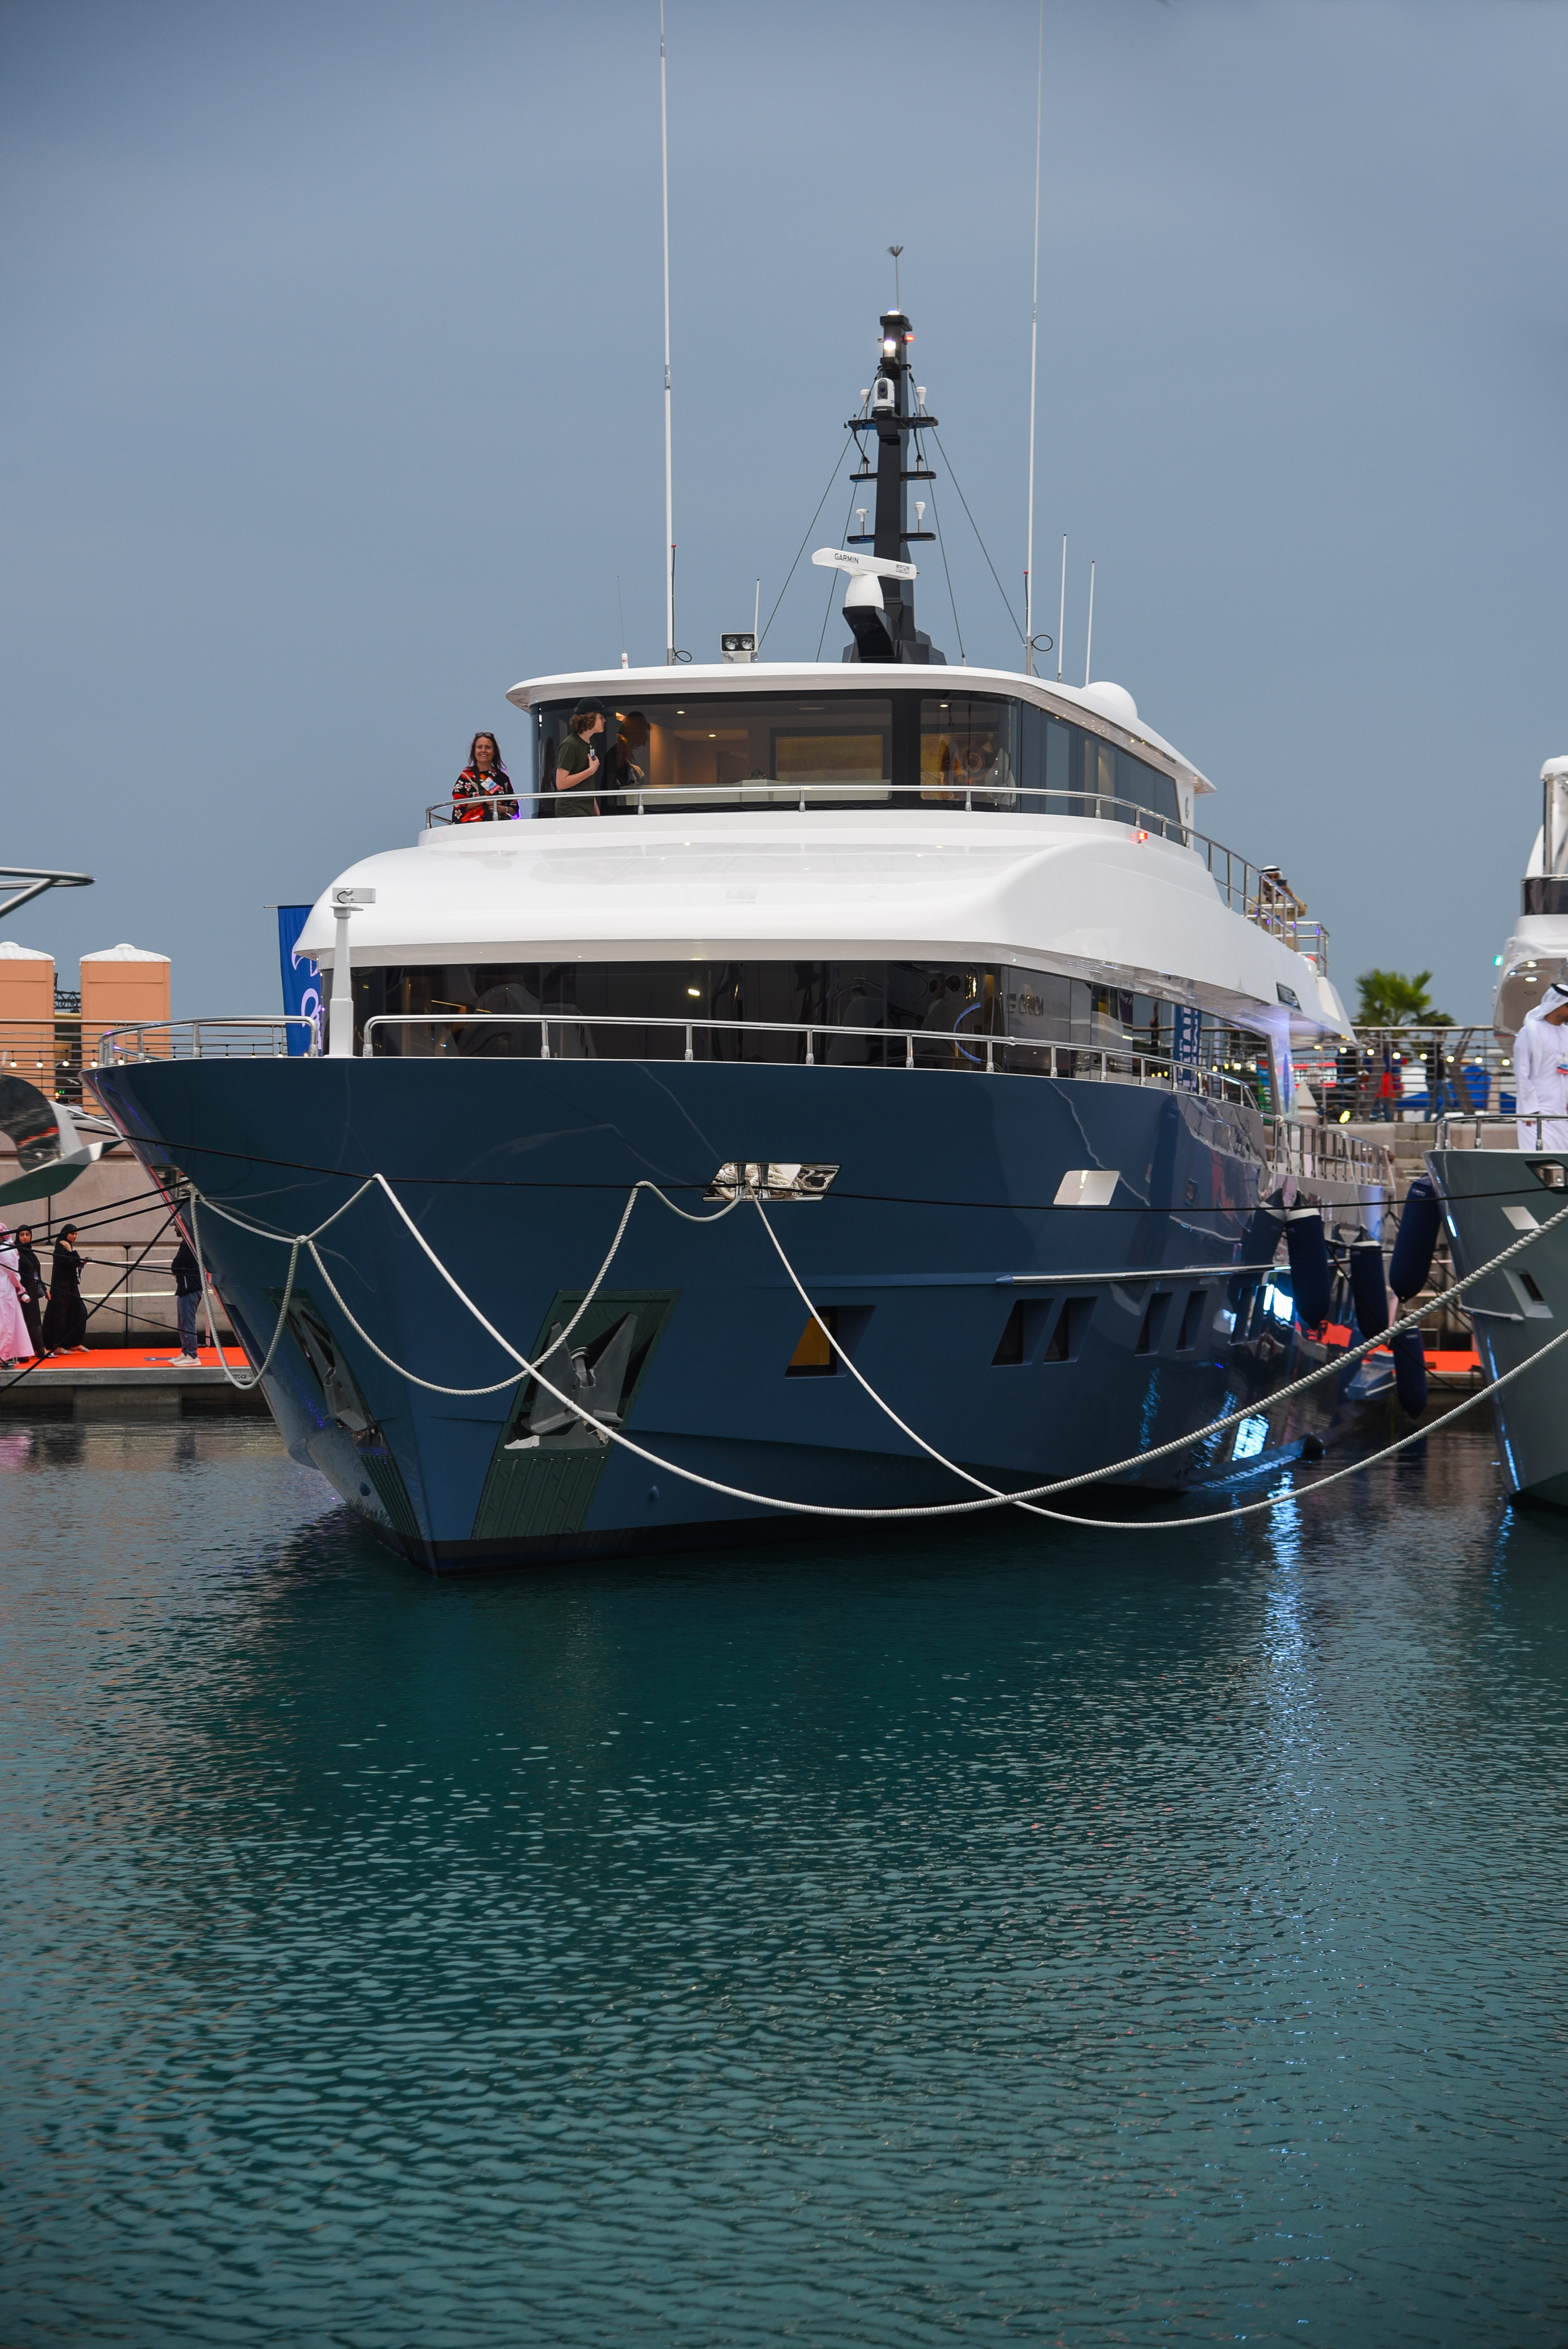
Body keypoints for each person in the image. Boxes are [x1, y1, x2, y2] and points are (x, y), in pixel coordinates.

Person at [1512, 982, 1568, 1148]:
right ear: (1559, 1005)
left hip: (1562, 1109)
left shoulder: (1567, 1033)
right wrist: (1529, 1109)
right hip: (1537, 1110)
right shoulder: (1530, 1031)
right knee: (1539, 1157)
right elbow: (1522, 1072)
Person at [40, 1224, 92, 1355]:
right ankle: (56, 1344)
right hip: (61, 1289)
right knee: (60, 1316)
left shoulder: (68, 1248)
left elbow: (76, 1261)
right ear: (66, 1235)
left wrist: (78, 1258)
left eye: (76, 1234)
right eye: (72, 1234)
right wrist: (71, 1252)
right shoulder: (59, 1249)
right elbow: (71, 1262)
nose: (75, 1236)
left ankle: (72, 1343)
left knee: (79, 1313)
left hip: (71, 1288)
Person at [451, 732, 518, 823]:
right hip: (470, 828)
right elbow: (458, 805)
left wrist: (501, 809)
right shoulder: (466, 777)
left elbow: (514, 807)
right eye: (480, 747)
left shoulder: (502, 778)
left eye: (488, 747)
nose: (483, 750)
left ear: (494, 752)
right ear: (474, 751)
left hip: (498, 828)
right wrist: (484, 800)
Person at [552, 702, 606, 816]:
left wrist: (597, 813)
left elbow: (588, 782)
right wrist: (590, 770)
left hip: (586, 809)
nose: (604, 720)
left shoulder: (591, 743)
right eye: (601, 717)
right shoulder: (570, 745)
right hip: (571, 811)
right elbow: (561, 783)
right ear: (589, 719)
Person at [0, 1224, 32, 1367]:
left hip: (6, 1289)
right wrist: (20, 1288)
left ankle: (14, 1352)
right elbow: (12, 1272)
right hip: (6, 1290)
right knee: (7, 1322)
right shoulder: (6, 1249)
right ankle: (4, 1356)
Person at [13, 1226, 45, 1359]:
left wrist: (44, 1289)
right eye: (22, 1235)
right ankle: (31, 1350)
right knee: (26, 1320)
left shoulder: (31, 1253)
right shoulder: (16, 1253)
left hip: (33, 1291)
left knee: (34, 1319)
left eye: (27, 1235)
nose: (25, 1237)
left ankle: (36, 1349)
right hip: (22, 1292)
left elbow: (37, 1273)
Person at [169, 1237, 202, 1363]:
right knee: (182, 1324)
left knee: (188, 1324)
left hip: (190, 1288)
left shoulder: (188, 1244)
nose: (175, 1230)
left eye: (176, 1226)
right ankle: (186, 1352)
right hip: (186, 1288)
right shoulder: (189, 1244)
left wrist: (177, 1269)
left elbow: (177, 1264)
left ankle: (192, 1355)